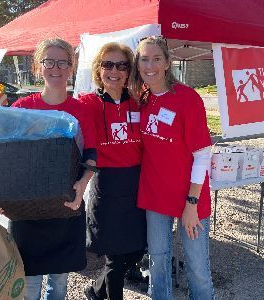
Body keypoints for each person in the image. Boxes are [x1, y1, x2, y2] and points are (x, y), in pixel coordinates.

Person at [10, 38, 97, 300]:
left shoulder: (80, 111)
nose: (55, 68)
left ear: (71, 68)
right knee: (31, 285)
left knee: (59, 284)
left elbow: (92, 154)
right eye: (49, 61)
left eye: (62, 62)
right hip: (28, 212)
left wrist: (82, 184)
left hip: (66, 206)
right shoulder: (21, 109)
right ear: (38, 66)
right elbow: (6, 157)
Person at [129, 36, 215, 300]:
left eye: (156, 58)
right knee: (157, 262)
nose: (150, 65)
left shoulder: (187, 99)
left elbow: (202, 155)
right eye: (144, 59)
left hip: (190, 197)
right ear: (138, 63)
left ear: (167, 62)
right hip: (155, 195)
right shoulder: (141, 98)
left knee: (197, 265)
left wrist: (191, 203)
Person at [80, 42, 147, 300]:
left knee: (136, 250)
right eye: (108, 64)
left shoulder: (140, 103)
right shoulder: (87, 103)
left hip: (135, 186)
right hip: (106, 187)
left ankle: (96, 291)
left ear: (129, 71)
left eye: (121, 65)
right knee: (115, 258)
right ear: (99, 69)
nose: (114, 71)